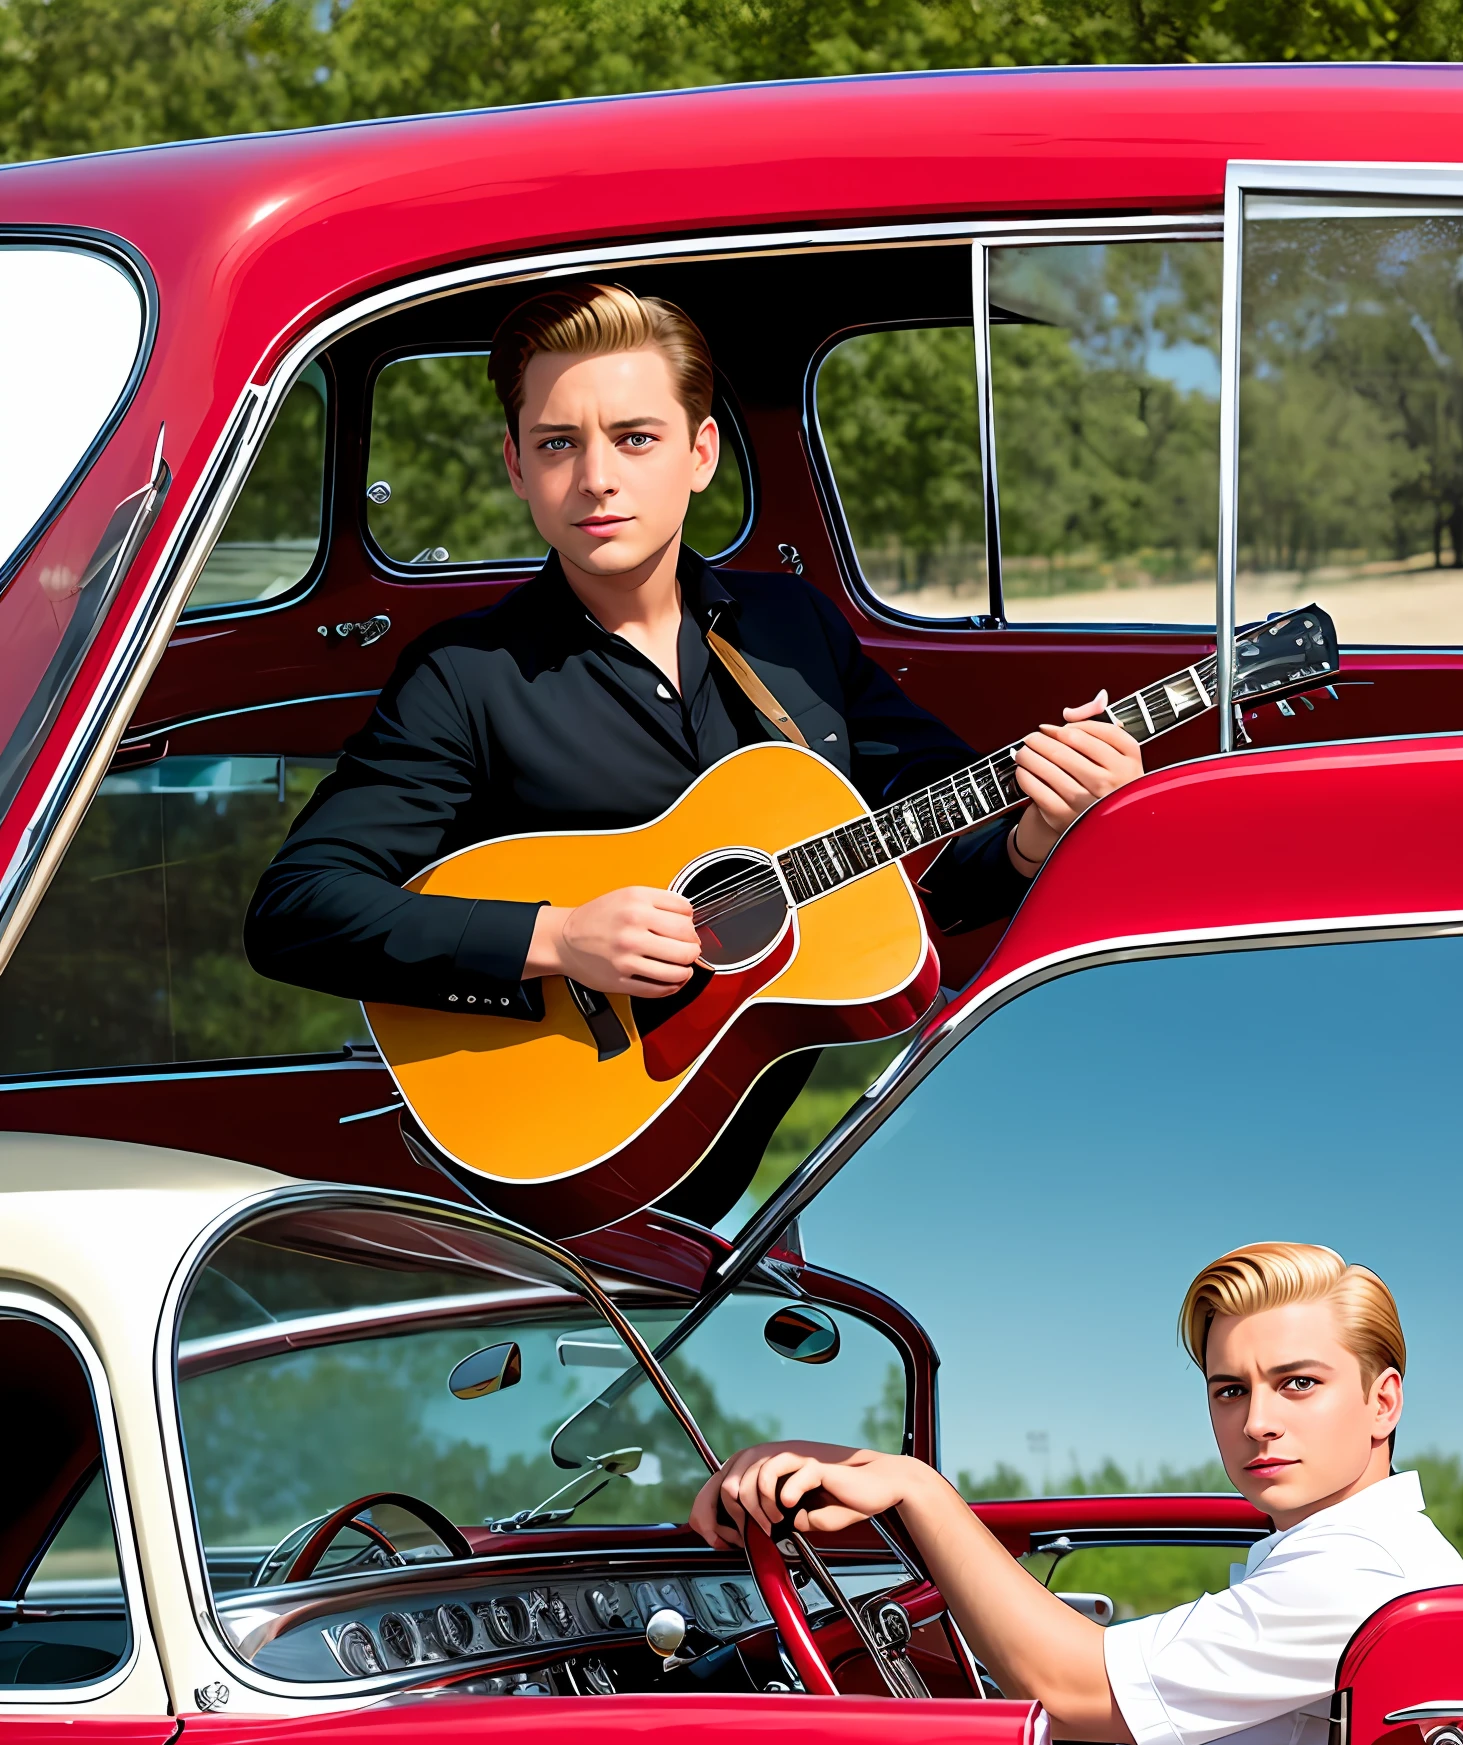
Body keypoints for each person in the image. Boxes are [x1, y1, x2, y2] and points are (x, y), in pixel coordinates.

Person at [244, 282, 1143, 1224]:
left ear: (700, 453)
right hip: (564, 1176)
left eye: (635, 438)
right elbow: (297, 911)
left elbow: (925, 871)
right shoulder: (465, 676)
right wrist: (557, 939)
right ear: (516, 467)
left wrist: (1038, 837)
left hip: (828, 1169)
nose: (596, 477)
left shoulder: (794, 632)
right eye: (558, 443)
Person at [691, 1241, 1463, 1745]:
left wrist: (916, 1489)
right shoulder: (1329, 1547)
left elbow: (1066, 1687)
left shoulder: (1361, 1571)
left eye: (1298, 1384)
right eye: (1230, 1390)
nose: (1258, 1422)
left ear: (1384, 1403)